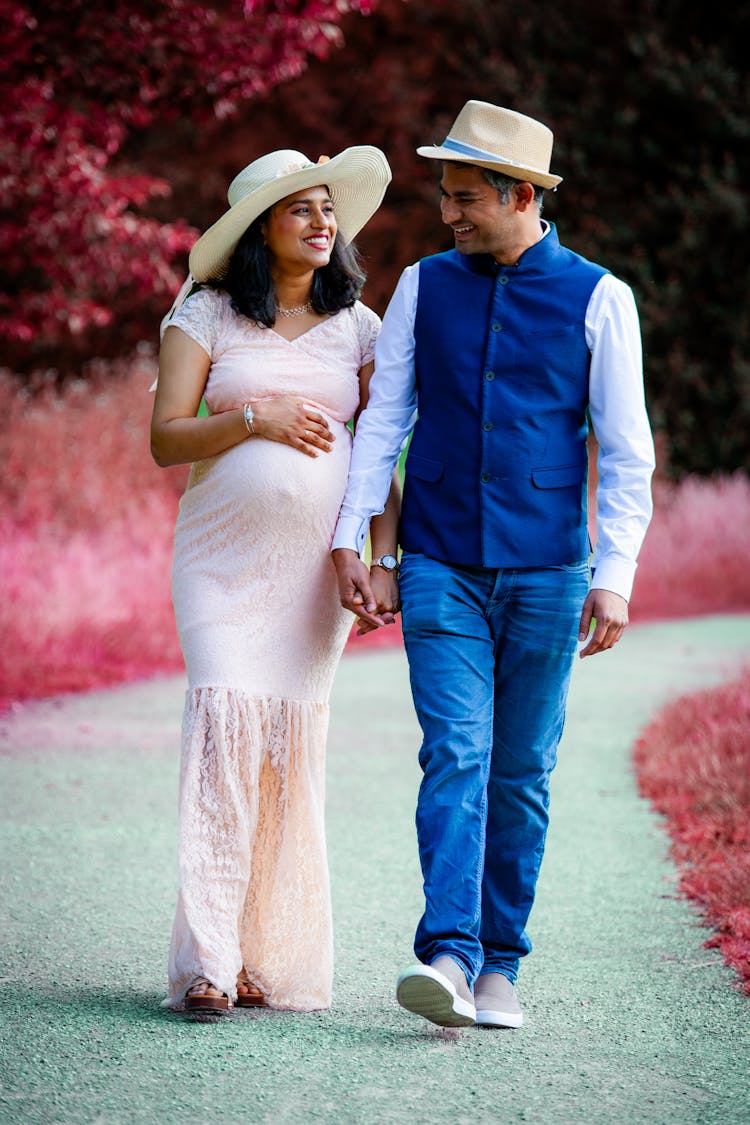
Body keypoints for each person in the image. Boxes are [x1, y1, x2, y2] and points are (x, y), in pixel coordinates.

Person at [332, 101, 655, 1030]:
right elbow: (384, 419)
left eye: (466, 197)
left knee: (520, 770)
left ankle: (501, 964)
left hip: (551, 572)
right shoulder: (424, 288)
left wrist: (616, 572)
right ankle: (448, 951)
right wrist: (356, 537)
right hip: (438, 561)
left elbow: (627, 454)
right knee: (457, 753)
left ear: (521, 196)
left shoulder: (600, 298)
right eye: (445, 195)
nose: (449, 213)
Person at [151, 145, 399, 1014]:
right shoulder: (206, 314)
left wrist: (381, 555)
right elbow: (166, 437)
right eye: (302, 210)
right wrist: (255, 418)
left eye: (329, 209)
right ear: (262, 228)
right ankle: (208, 963)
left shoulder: (362, 328)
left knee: (285, 756)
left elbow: (378, 455)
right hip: (219, 563)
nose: (324, 222)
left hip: (310, 578)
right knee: (223, 722)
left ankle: (263, 959)